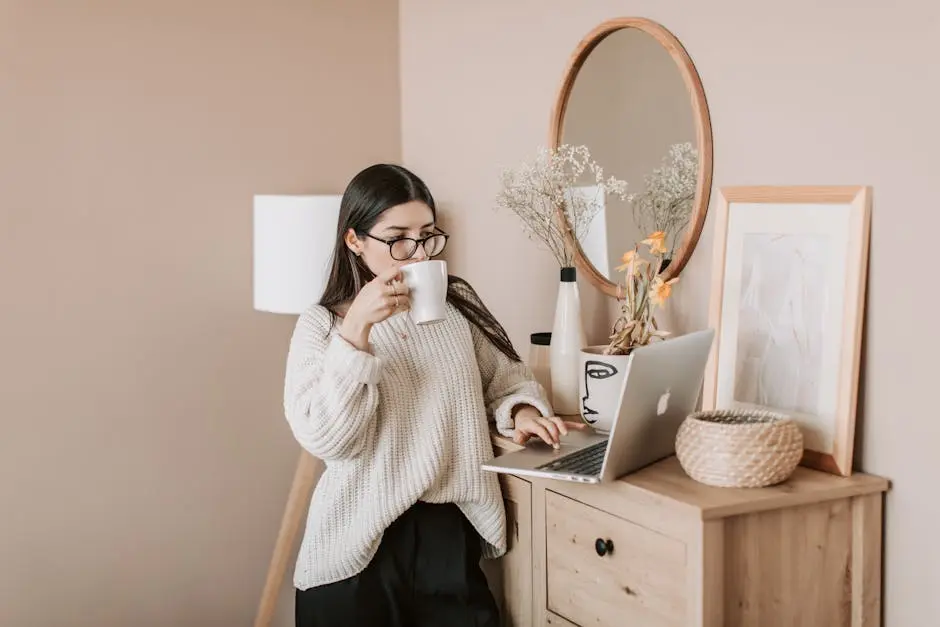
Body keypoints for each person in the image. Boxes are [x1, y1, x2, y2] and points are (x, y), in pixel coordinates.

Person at [283, 163, 585, 626]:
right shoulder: (322, 325)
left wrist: (522, 410)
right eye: (398, 237)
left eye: (427, 235)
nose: (417, 253)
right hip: (358, 545)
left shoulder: (456, 304)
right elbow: (328, 440)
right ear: (355, 241)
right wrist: (357, 330)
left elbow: (506, 378)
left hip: (449, 534)